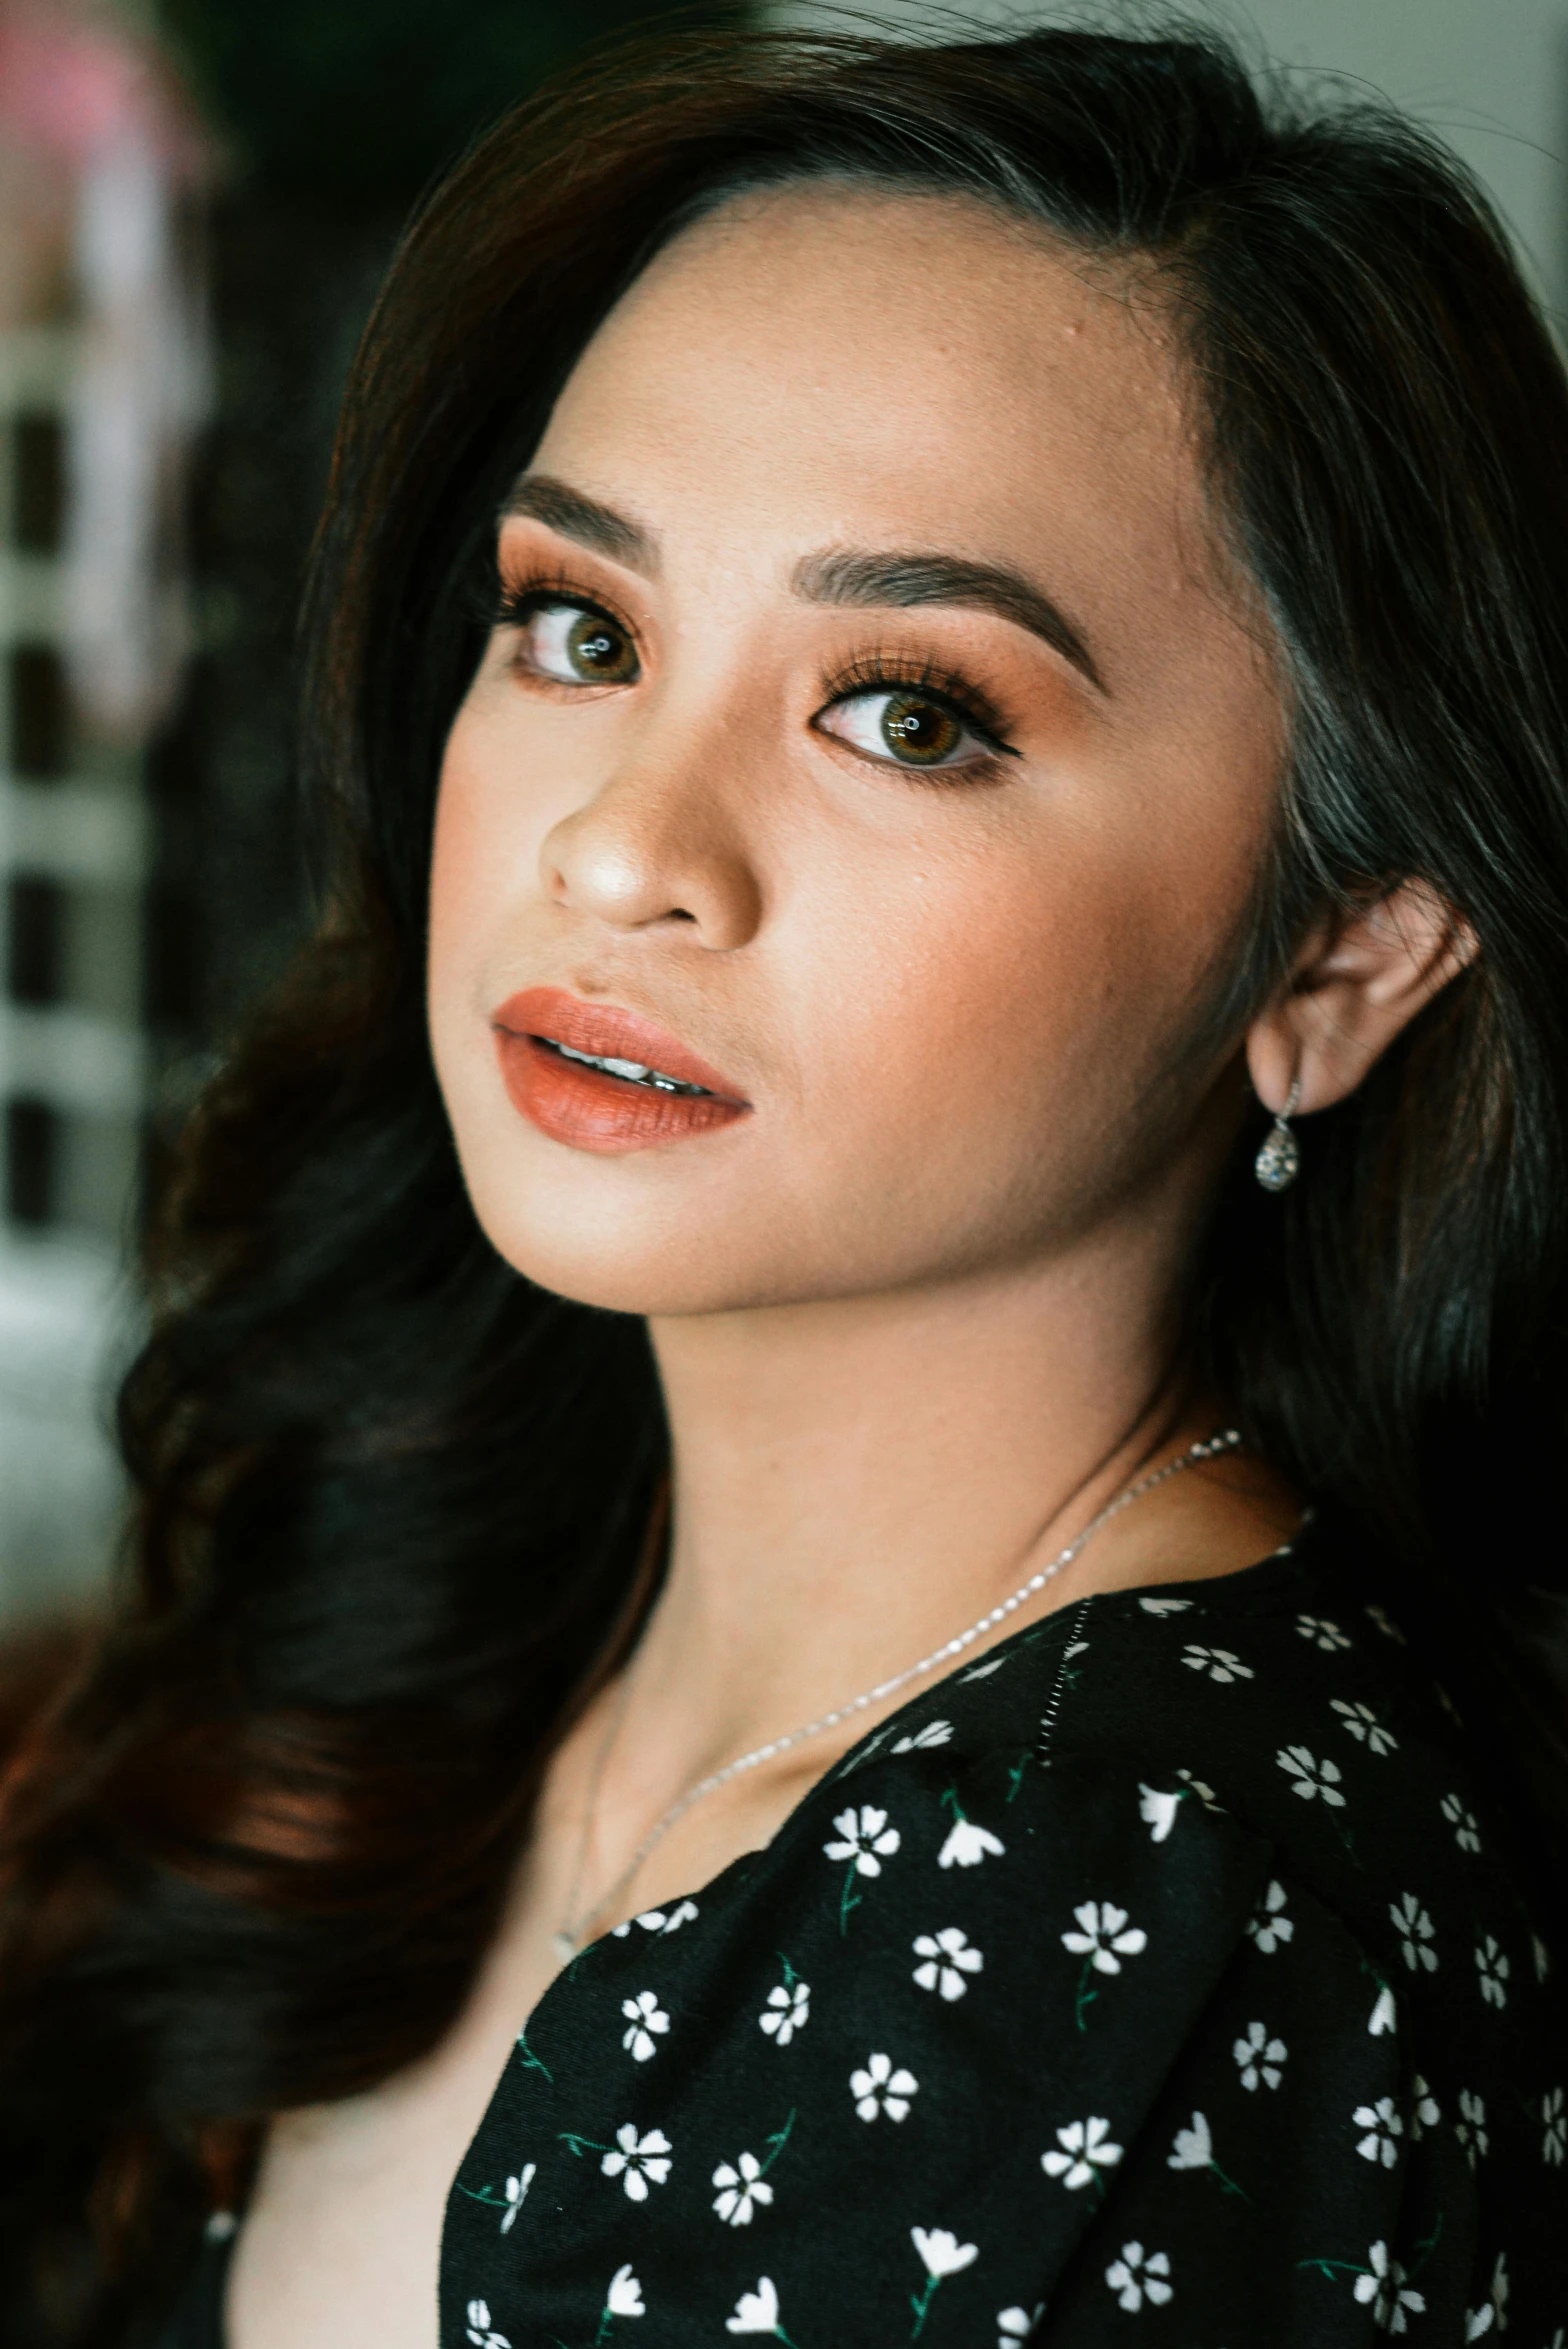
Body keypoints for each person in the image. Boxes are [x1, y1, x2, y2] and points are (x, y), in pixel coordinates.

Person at [1, 18, 1565, 2345]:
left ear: (1336, 958)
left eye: (907, 712)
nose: (623, 840)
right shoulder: (479, 1588)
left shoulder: (1135, 1903)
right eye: (580, 626)